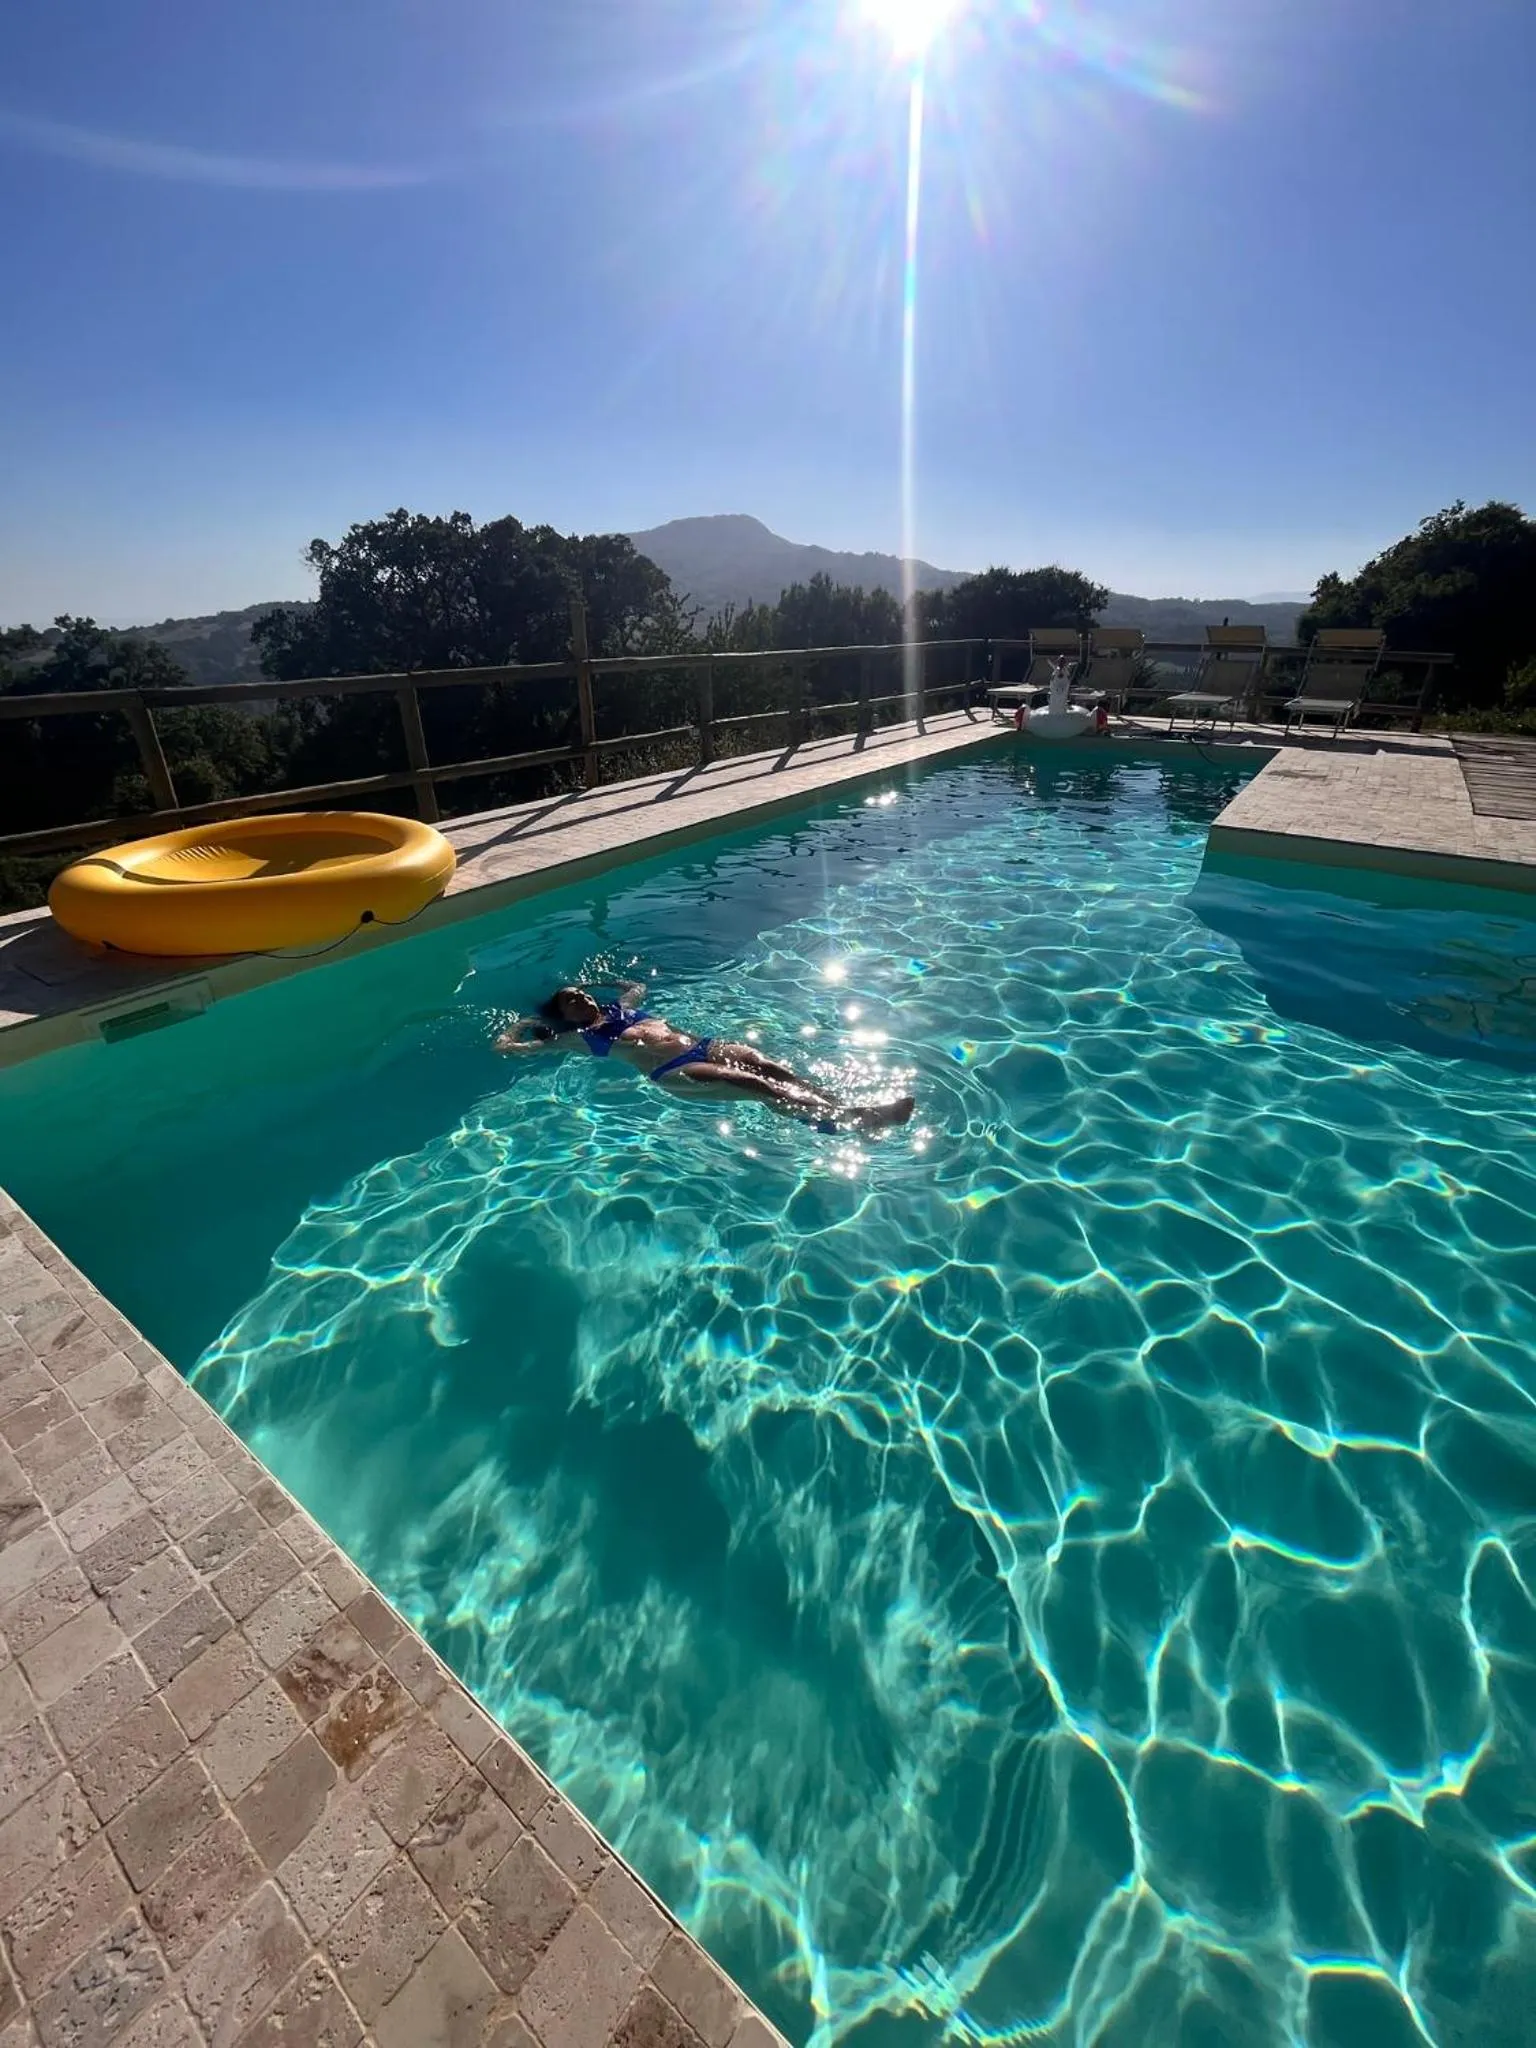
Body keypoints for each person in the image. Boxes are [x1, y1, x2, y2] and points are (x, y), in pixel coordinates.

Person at [496, 981, 915, 1133]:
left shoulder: (621, 1010)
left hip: (701, 1044)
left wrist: (600, 980)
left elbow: (636, 986)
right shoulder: (581, 1038)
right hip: (673, 1069)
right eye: (571, 998)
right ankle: (851, 1120)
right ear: (563, 1013)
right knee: (752, 1083)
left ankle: (839, 1105)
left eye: (582, 992)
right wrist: (525, 1022)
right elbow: (508, 1049)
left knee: (769, 1065)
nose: (582, 996)